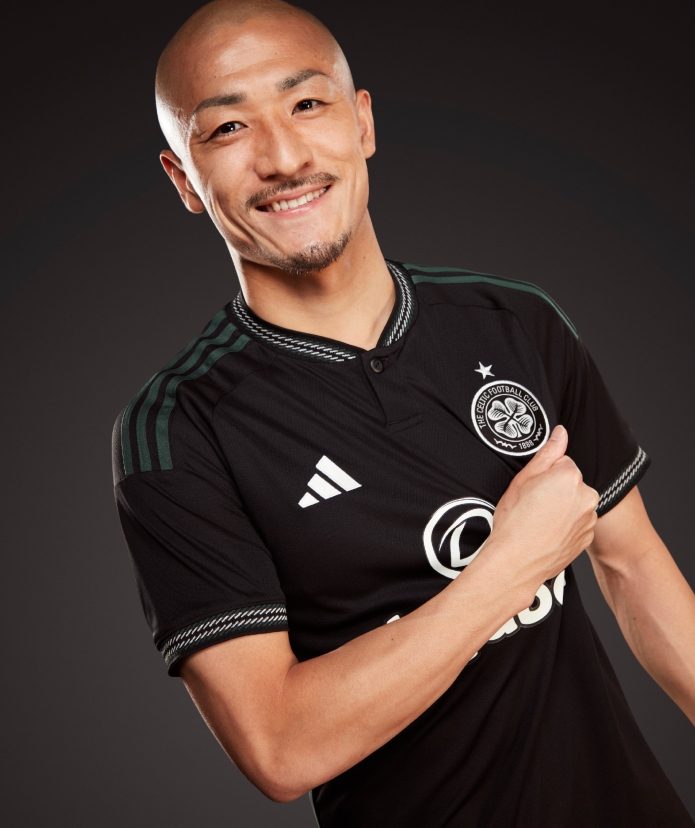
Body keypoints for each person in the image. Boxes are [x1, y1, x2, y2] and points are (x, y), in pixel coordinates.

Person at [111, 1, 695, 824]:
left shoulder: (515, 321)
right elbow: (279, 748)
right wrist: (506, 569)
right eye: (228, 128)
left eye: (305, 104)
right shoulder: (177, 429)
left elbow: (634, 566)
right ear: (184, 181)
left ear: (362, 123)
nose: (283, 157)